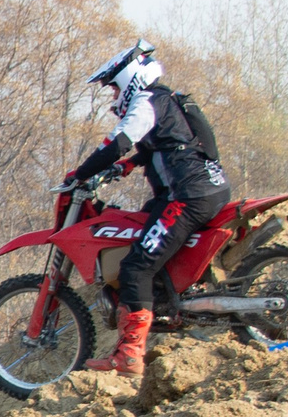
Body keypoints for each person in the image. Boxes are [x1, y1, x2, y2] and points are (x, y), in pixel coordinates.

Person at [65, 40, 231, 376]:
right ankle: (166, 299)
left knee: (136, 267)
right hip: (208, 189)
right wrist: (128, 166)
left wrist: (80, 173)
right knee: (146, 221)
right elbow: (168, 143)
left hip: (188, 197)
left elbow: (119, 142)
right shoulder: (168, 98)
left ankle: (129, 354)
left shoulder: (146, 101)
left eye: (113, 89)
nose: (113, 97)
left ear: (127, 79)